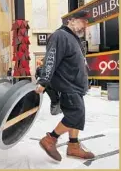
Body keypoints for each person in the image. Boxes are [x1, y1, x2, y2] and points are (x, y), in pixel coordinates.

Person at [35, 10, 95, 161]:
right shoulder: (60, 35)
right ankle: (50, 139)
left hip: (76, 86)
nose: (85, 26)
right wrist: (43, 81)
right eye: (83, 22)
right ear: (72, 21)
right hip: (66, 85)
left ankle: (73, 146)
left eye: (86, 23)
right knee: (75, 114)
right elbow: (51, 59)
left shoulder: (74, 39)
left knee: (77, 117)